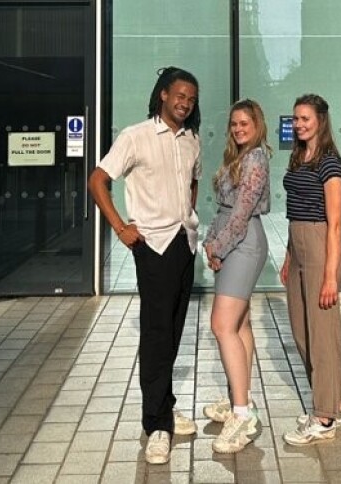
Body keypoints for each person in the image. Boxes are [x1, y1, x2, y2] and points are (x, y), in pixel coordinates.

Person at [88, 67, 201, 465]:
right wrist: (121, 227)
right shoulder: (135, 136)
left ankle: (164, 405)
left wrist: (188, 216)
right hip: (152, 246)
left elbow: (192, 183)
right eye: (180, 95)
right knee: (156, 334)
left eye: (191, 99)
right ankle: (156, 424)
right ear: (163, 95)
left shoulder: (191, 140)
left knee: (173, 331)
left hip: (184, 243)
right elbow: (97, 180)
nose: (185, 103)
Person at [280, 94, 341, 446]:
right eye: (296, 119)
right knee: (301, 332)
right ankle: (336, 404)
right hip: (298, 247)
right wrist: (288, 255)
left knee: (323, 337)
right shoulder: (298, 157)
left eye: (305, 118)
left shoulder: (329, 163)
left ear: (320, 120)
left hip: (322, 249)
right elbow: (295, 210)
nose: (299, 124)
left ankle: (324, 418)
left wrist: (329, 276)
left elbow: (334, 224)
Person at [202, 99, 271, 453]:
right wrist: (210, 240)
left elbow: (242, 213)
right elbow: (224, 209)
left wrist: (218, 247)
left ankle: (242, 415)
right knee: (240, 324)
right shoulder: (237, 156)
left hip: (243, 243)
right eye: (234, 123)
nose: (238, 128)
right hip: (231, 239)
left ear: (257, 125)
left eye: (245, 123)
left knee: (221, 325)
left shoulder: (256, 158)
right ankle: (240, 399)